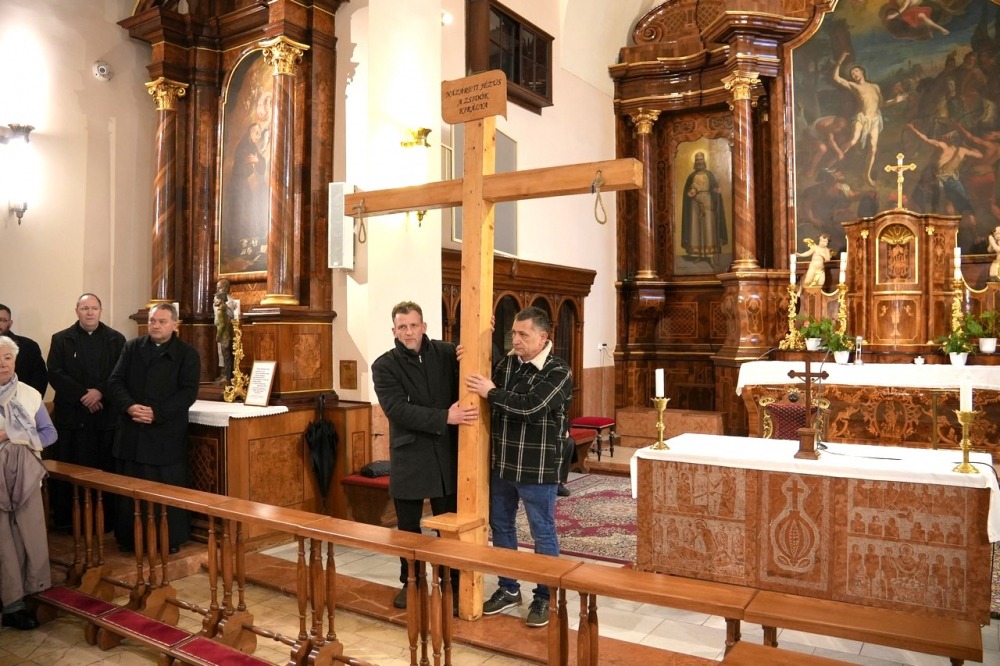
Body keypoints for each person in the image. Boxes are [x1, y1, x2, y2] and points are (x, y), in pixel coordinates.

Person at [466, 306, 573, 628]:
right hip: (502, 464)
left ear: (543, 337)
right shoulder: (508, 363)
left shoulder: (558, 371)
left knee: (542, 531)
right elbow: (483, 378)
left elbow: (531, 408)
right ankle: (509, 587)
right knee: (501, 526)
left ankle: (545, 596)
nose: (516, 339)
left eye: (523, 334)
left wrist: (491, 392)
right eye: (513, 333)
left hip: (538, 468)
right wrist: (472, 346)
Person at [371, 301, 478, 610]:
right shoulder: (384, 365)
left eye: (413, 325)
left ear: (424, 327)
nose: (409, 332)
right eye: (402, 327)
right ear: (394, 331)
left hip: (446, 454)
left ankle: (452, 583)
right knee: (408, 528)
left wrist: (480, 341)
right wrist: (444, 416)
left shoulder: (447, 352)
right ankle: (411, 582)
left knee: (449, 526)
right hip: (410, 456)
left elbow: (484, 364)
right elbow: (397, 409)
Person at [107, 303, 200, 554]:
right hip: (132, 432)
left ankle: (167, 539)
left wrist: (156, 413)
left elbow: (188, 393)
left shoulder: (187, 354)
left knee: (164, 489)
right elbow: (114, 382)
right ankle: (129, 538)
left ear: (175, 325)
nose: (155, 326)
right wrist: (129, 406)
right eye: (152, 321)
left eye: (162, 321)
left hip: (164, 436)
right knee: (131, 489)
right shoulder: (132, 347)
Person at [45, 293, 126, 530]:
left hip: (104, 417)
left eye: (94, 308)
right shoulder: (61, 339)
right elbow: (55, 373)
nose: (90, 312)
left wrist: (100, 392)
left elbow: (120, 373)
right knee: (72, 468)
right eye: (84, 308)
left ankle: (105, 522)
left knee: (103, 469)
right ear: (76, 311)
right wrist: (84, 395)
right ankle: (69, 522)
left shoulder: (116, 339)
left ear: (101, 310)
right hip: (73, 418)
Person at [0, 335, 57, 630]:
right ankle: (10, 604)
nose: (2, 364)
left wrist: (14, 434)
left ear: (15, 360)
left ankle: (32, 597)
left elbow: (49, 434)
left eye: (7, 358)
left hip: (26, 477)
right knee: (4, 542)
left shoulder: (30, 394)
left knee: (29, 537)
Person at [832, 52, 884, 187]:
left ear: (862, 72)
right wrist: (840, 60)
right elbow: (836, 78)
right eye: (852, 73)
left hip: (874, 119)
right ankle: (832, 162)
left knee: (873, 148)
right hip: (861, 117)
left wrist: (896, 100)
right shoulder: (854, 86)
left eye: (856, 71)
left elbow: (881, 104)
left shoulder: (875, 87)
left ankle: (867, 175)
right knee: (853, 140)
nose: (854, 74)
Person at [680, 151, 728, 267]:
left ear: (704, 160)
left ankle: (710, 256)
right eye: (697, 160)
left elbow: (716, 190)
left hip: (708, 203)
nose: (699, 161)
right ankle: (698, 254)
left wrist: (715, 193)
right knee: (695, 228)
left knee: (708, 228)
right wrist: (691, 193)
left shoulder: (710, 175)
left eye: (701, 159)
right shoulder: (691, 177)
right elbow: (687, 192)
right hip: (694, 205)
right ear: (695, 162)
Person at [0, 304, 47, 396]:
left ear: (10, 323)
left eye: (2, 320)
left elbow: (40, 379)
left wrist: (30, 401)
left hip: (22, 401)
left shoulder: (29, 347)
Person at [214, 291, 234, 384]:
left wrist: (218, 335)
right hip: (229, 335)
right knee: (229, 357)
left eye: (216, 299)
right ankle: (229, 377)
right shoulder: (227, 309)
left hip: (224, 337)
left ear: (221, 300)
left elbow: (221, 325)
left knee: (226, 358)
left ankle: (227, 378)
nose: (214, 301)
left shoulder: (220, 311)